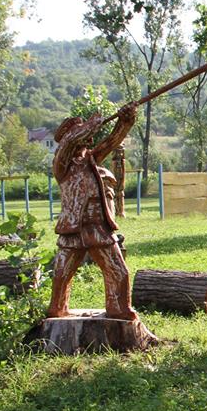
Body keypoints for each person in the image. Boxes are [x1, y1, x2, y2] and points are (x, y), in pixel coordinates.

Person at [47, 105, 138, 321]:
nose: (88, 141)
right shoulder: (62, 165)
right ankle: (57, 308)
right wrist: (92, 123)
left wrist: (125, 121)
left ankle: (119, 309)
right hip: (73, 229)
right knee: (62, 274)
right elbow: (69, 143)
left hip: (98, 227)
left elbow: (111, 142)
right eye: (80, 133)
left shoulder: (90, 160)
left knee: (118, 271)